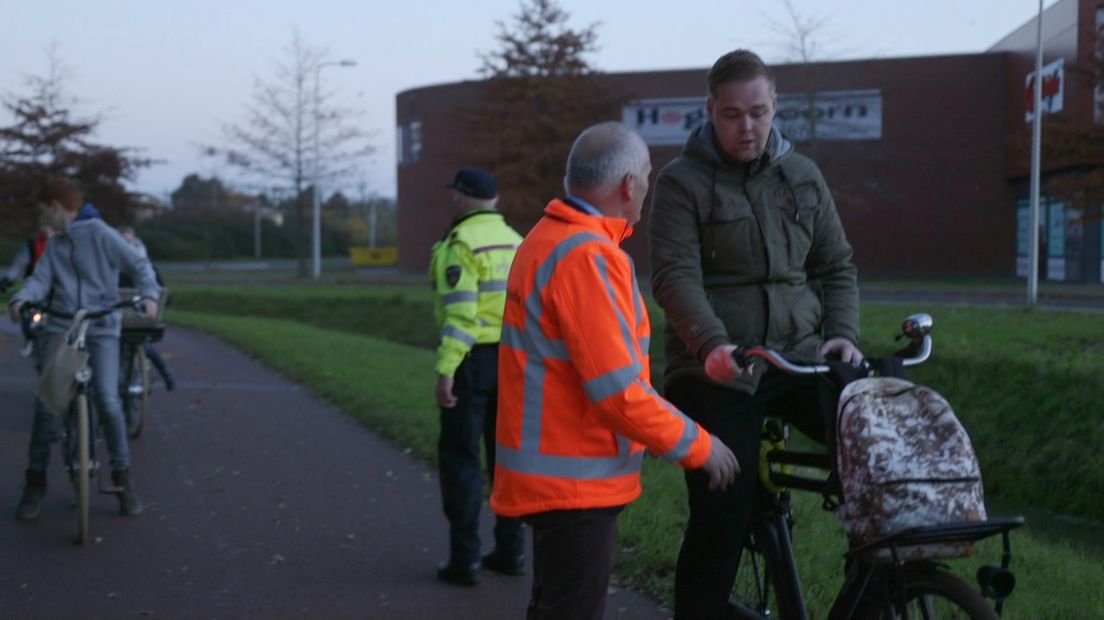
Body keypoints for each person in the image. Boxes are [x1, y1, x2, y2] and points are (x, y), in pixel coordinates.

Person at [490, 121, 740, 620]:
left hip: (552, 476)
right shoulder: (589, 257)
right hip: (577, 483)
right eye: (646, 175)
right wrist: (699, 446)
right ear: (628, 184)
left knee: (552, 604)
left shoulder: (545, 238)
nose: (647, 186)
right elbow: (617, 392)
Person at [647, 49, 862, 619]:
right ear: (710, 111)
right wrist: (711, 346)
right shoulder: (680, 183)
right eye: (733, 115)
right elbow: (673, 276)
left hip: (800, 359)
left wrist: (842, 335)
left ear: (776, 106)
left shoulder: (803, 175)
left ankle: (880, 580)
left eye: (759, 113)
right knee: (722, 512)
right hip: (719, 371)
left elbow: (836, 265)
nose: (748, 127)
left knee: (874, 442)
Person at [9, 178, 161, 521]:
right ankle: (35, 481)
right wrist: (22, 298)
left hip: (102, 327)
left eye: (44, 211)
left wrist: (149, 294)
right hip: (63, 325)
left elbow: (138, 264)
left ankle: (123, 480)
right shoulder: (57, 243)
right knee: (48, 403)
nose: (43, 219)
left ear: (57, 206)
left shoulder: (98, 232)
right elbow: (40, 280)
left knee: (108, 399)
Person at [429, 167, 526, 585]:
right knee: (505, 458)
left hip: (471, 361)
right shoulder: (519, 242)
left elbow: (461, 316)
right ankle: (510, 552)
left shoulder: (460, 244)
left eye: (455, 194)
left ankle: (465, 559)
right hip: (515, 360)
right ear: (496, 200)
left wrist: (446, 369)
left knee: (461, 457)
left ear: (462, 197)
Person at [117, 225, 176, 391]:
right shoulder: (112, 266)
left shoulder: (145, 265)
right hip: (118, 315)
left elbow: (159, 285)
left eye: (129, 241)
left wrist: (160, 298)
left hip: (139, 315)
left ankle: (165, 373)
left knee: (143, 343)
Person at [0, 211, 56, 356]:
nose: (46, 229)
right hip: (34, 283)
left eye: (48, 225)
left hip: (56, 287)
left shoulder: (61, 243)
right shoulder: (32, 244)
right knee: (25, 311)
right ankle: (29, 339)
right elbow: (19, 263)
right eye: (43, 225)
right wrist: (8, 280)